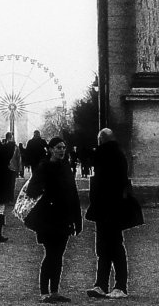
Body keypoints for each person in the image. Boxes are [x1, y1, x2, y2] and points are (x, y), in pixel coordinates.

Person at [23, 136, 82, 303]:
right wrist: (47, 196)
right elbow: (32, 190)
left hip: (64, 217)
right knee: (50, 254)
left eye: (63, 147)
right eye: (58, 147)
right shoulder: (44, 167)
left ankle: (54, 290)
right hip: (48, 218)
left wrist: (77, 219)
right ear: (50, 149)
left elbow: (73, 193)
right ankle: (44, 291)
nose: (62, 150)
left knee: (59, 255)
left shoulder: (65, 167)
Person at [84, 127, 131, 299]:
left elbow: (101, 182)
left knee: (107, 247)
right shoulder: (119, 155)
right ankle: (113, 284)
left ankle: (109, 284)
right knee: (113, 245)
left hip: (105, 206)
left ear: (101, 140)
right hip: (114, 206)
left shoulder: (103, 154)